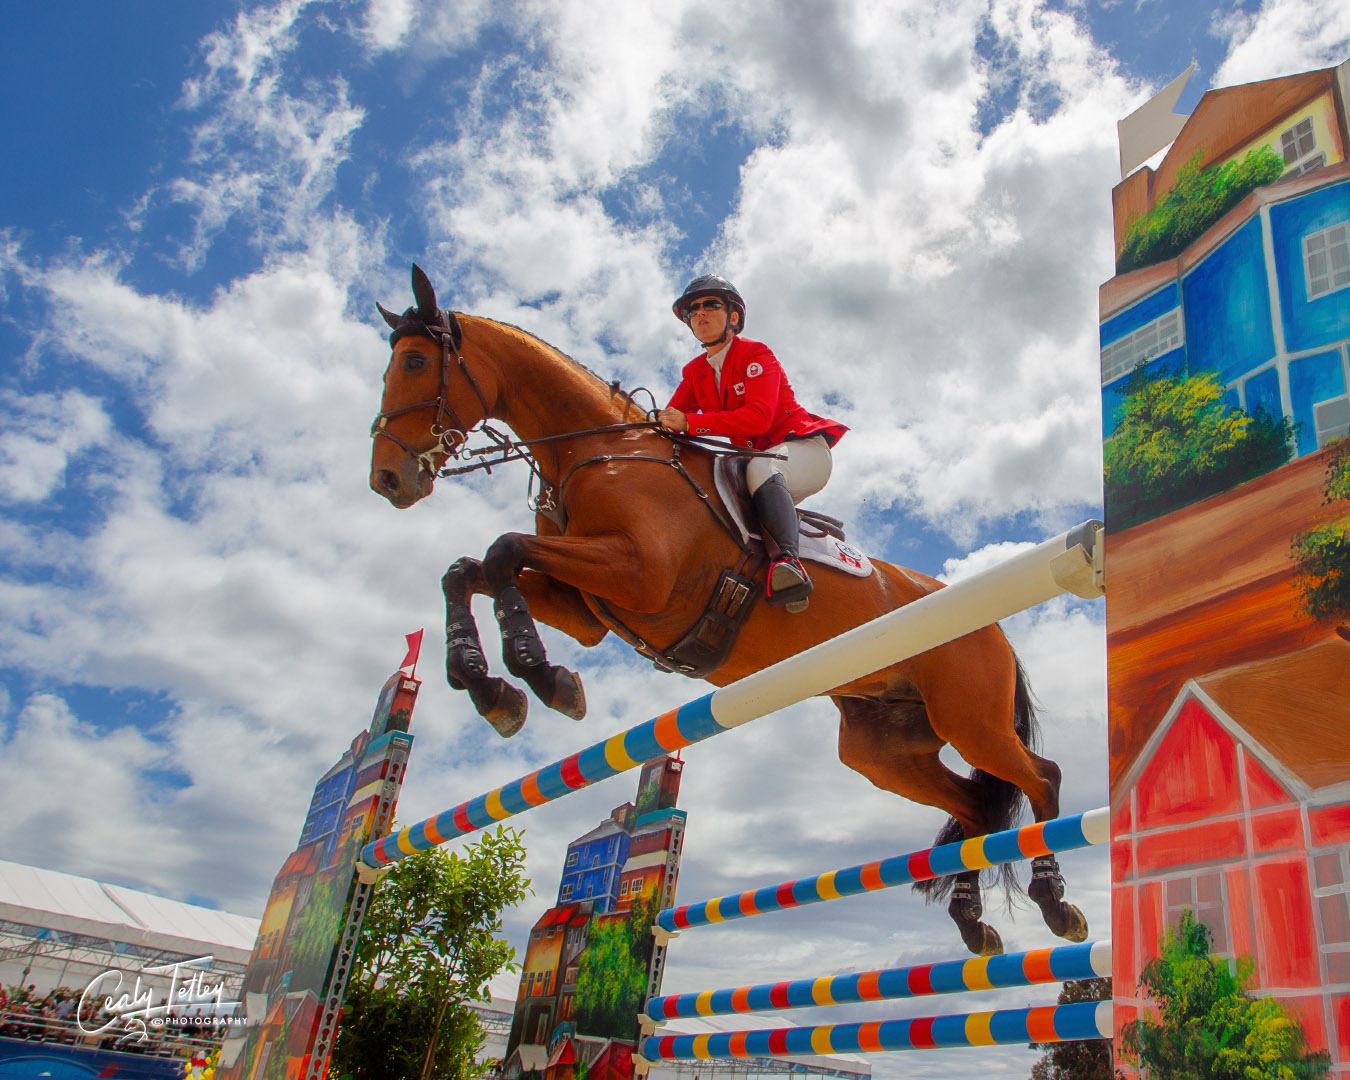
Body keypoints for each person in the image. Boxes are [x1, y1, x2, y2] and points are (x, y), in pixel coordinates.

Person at [658, 276, 847, 611]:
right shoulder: (694, 373)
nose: (700, 314)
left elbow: (757, 418)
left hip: (801, 451)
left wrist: (689, 422)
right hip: (759, 463)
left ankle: (788, 564)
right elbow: (673, 425)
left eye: (710, 305)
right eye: (693, 310)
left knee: (761, 464)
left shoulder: (755, 353)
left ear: (733, 316)